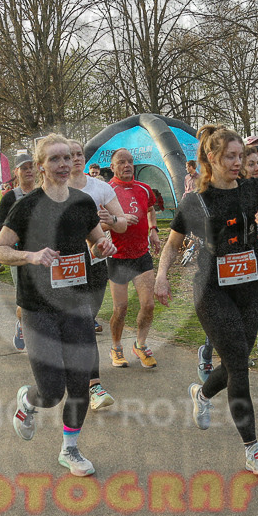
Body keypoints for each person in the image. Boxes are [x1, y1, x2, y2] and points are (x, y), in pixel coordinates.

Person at [155, 125, 258, 474]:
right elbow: (173, 244)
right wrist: (161, 276)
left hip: (250, 287)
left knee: (236, 361)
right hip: (212, 290)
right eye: (230, 157)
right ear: (212, 158)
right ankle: (253, 448)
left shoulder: (254, 189)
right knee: (238, 364)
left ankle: (202, 393)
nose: (238, 163)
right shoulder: (196, 201)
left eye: (241, 156)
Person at [0, 134, 117, 476]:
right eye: (55, 159)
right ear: (41, 167)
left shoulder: (83, 202)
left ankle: (70, 449)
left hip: (76, 304)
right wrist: (30, 256)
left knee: (79, 384)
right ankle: (27, 401)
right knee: (51, 391)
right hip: (38, 307)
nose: (64, 164)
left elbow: (97, 240)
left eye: (67, 157)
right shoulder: (27, 206)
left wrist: (103, 247)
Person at [197, 147, 258, 400]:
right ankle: (207, 353)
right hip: (228, 272)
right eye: (250, 164)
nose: (256, 168)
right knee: (229, 328)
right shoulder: (229, 194)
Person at [68, 139, 134, 411]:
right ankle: (93, 384)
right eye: (69, 155)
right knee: (82, 323)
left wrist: (110, 221)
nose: (75, 159)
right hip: (64, 266)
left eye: (79, 154)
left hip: (95, 262)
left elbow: (122, 225)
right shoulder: (54, 190)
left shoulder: (100, 188)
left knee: (86, 319)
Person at [106, 149, 160, 368]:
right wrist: (117, 220)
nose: (127, 165)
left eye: (130, 161)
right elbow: (96, 225)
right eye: (121, 162)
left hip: (141, 254)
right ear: (112, 167)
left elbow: (150, 210)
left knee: (148, 304)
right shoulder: (107, 191)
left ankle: (140, 344)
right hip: (118, 256)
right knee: (120, 309)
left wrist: (153, 230)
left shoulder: (144, 188)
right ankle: (116, 347)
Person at [0, 155, 38, 351]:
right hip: (19, 254)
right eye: (24, 168)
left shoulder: (44, 193)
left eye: (31, 167)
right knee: (24, 298)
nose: (28, 171)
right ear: (16, 172)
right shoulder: (10, 197)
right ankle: (22, 324)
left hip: (43, 254)